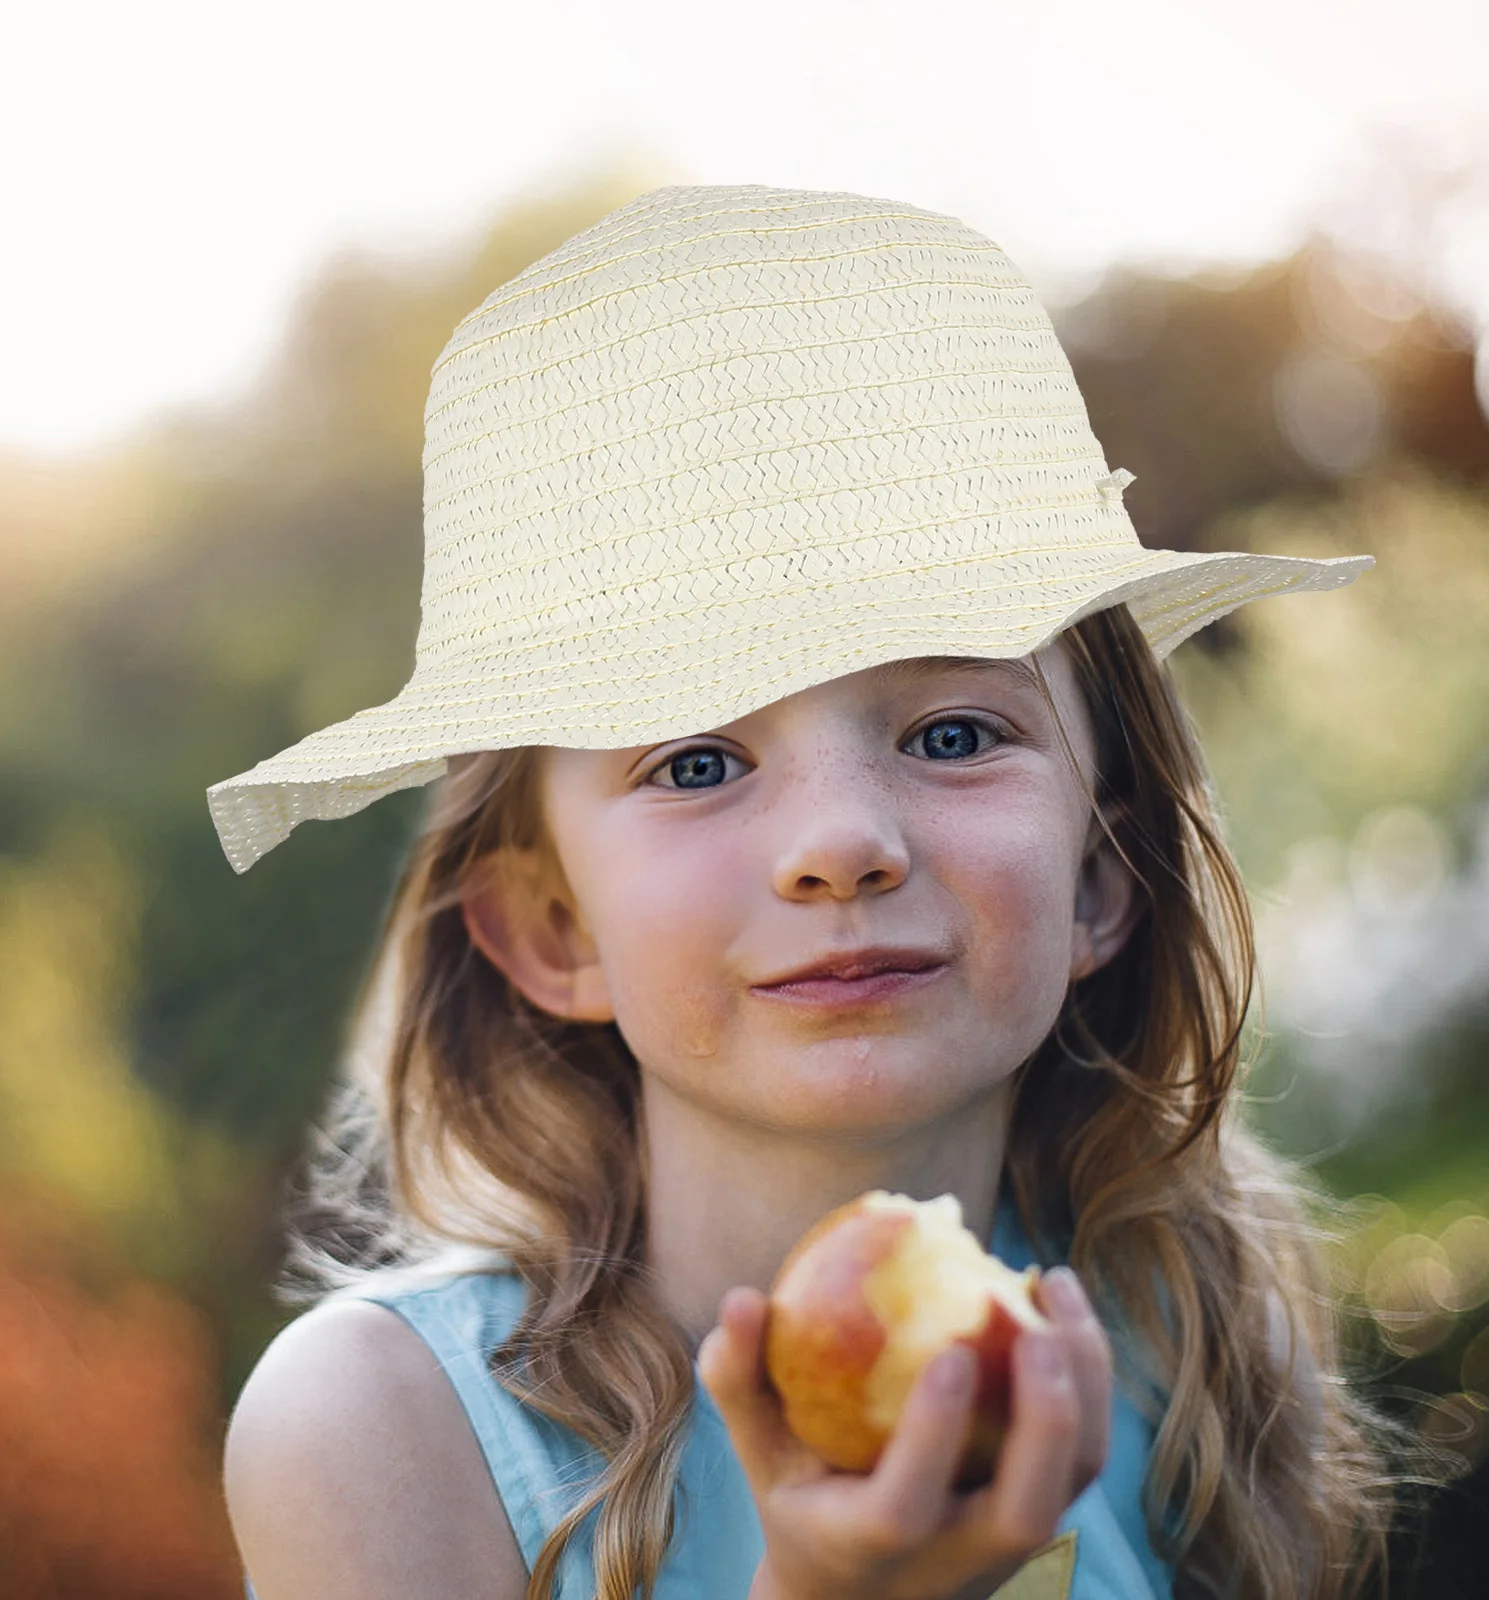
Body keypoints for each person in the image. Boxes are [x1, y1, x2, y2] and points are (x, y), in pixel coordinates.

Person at [214, 185, 1407, 1600]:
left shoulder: (1191, 1351)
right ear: (551, 929)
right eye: (701, 758)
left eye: (953, 735)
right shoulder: (381, 1426)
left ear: (1102, 874)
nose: (840, 845)